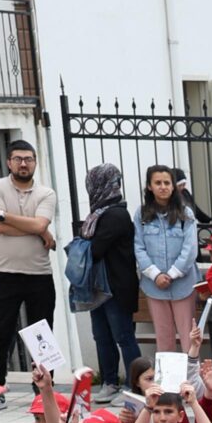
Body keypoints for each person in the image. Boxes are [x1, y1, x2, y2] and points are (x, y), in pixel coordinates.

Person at [0, 139, 61, 392]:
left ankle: (43, 389)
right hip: (5, 274)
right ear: (9, 162)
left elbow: (35, 224)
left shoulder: (46, 193)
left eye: (28, 159)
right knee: (0, 332)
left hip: (39, 274)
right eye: (18, 159)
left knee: (42, 337)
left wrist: (5, 215)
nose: (23, 164)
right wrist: (36, 230)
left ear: (35, 162)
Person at [75, 163, 141, 403]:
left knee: (123, 336)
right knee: (101, 336)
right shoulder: (98, 214)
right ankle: (109, 381)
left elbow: (96, 249)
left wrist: (80, 244)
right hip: (98, 288)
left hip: (116, 288)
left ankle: (135, 385)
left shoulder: (115, 214)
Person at [134, 164, 202, 372]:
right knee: (164, 340)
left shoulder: (185, 214)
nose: (163, 187)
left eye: (167, 183)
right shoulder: (142, 214)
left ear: (173, 187)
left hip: (183, 285)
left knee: (188, 337)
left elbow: (190, 249)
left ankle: (191, 384)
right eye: (158, 183)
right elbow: (138, 247)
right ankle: (168, 385)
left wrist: (171, 274)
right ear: (149, 186)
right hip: (155, 287)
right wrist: (155, 275)